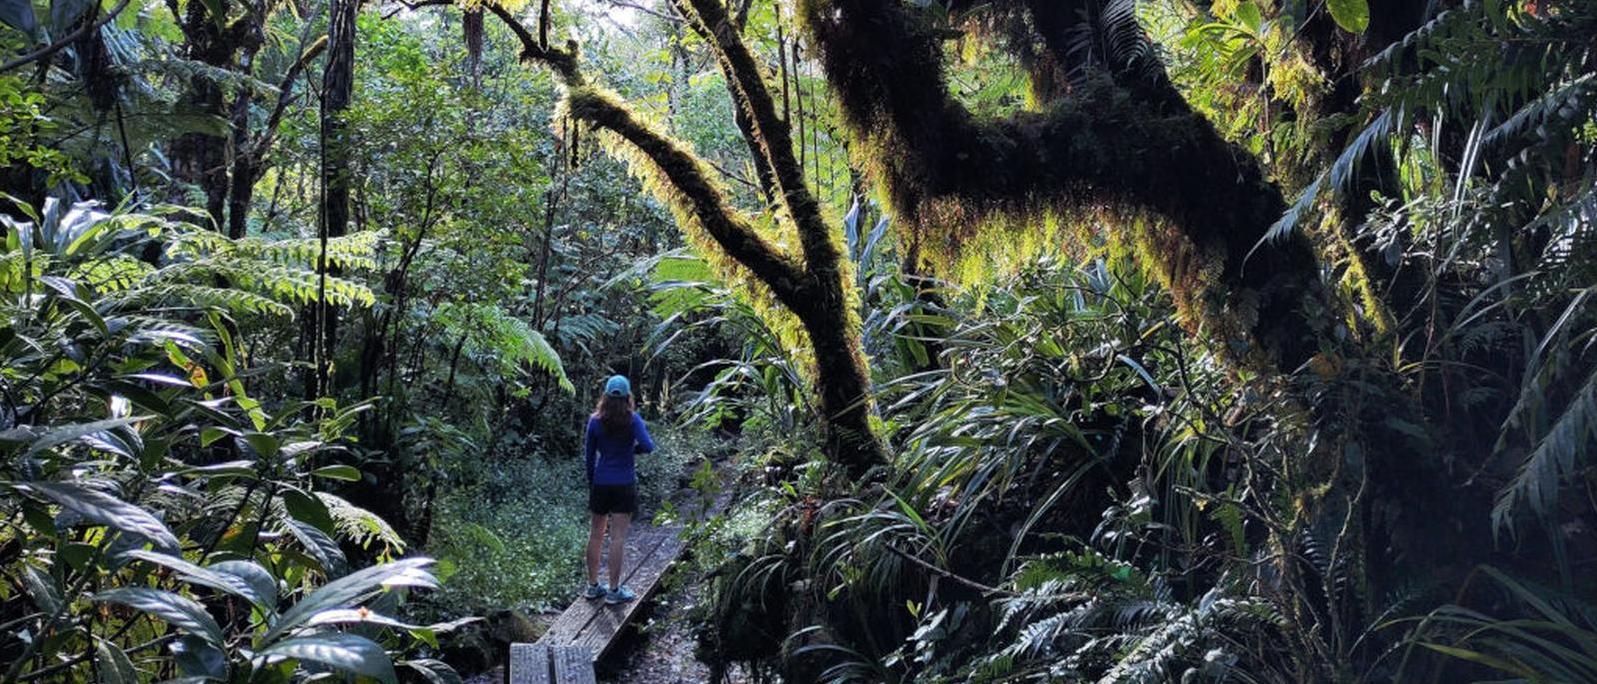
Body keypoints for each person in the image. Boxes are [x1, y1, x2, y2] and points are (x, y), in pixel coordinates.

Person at [582, 374, 655, 604]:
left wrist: (593, 481)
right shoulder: (633, 420)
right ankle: (614, 591)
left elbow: (589, 456)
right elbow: (648, 446)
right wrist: (630, 452)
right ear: (627, 397)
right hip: (624, 484)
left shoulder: (595, 421)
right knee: (617, 539)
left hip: (601, 483)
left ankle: (593, 586)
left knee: (595, 535)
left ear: (604, 396)